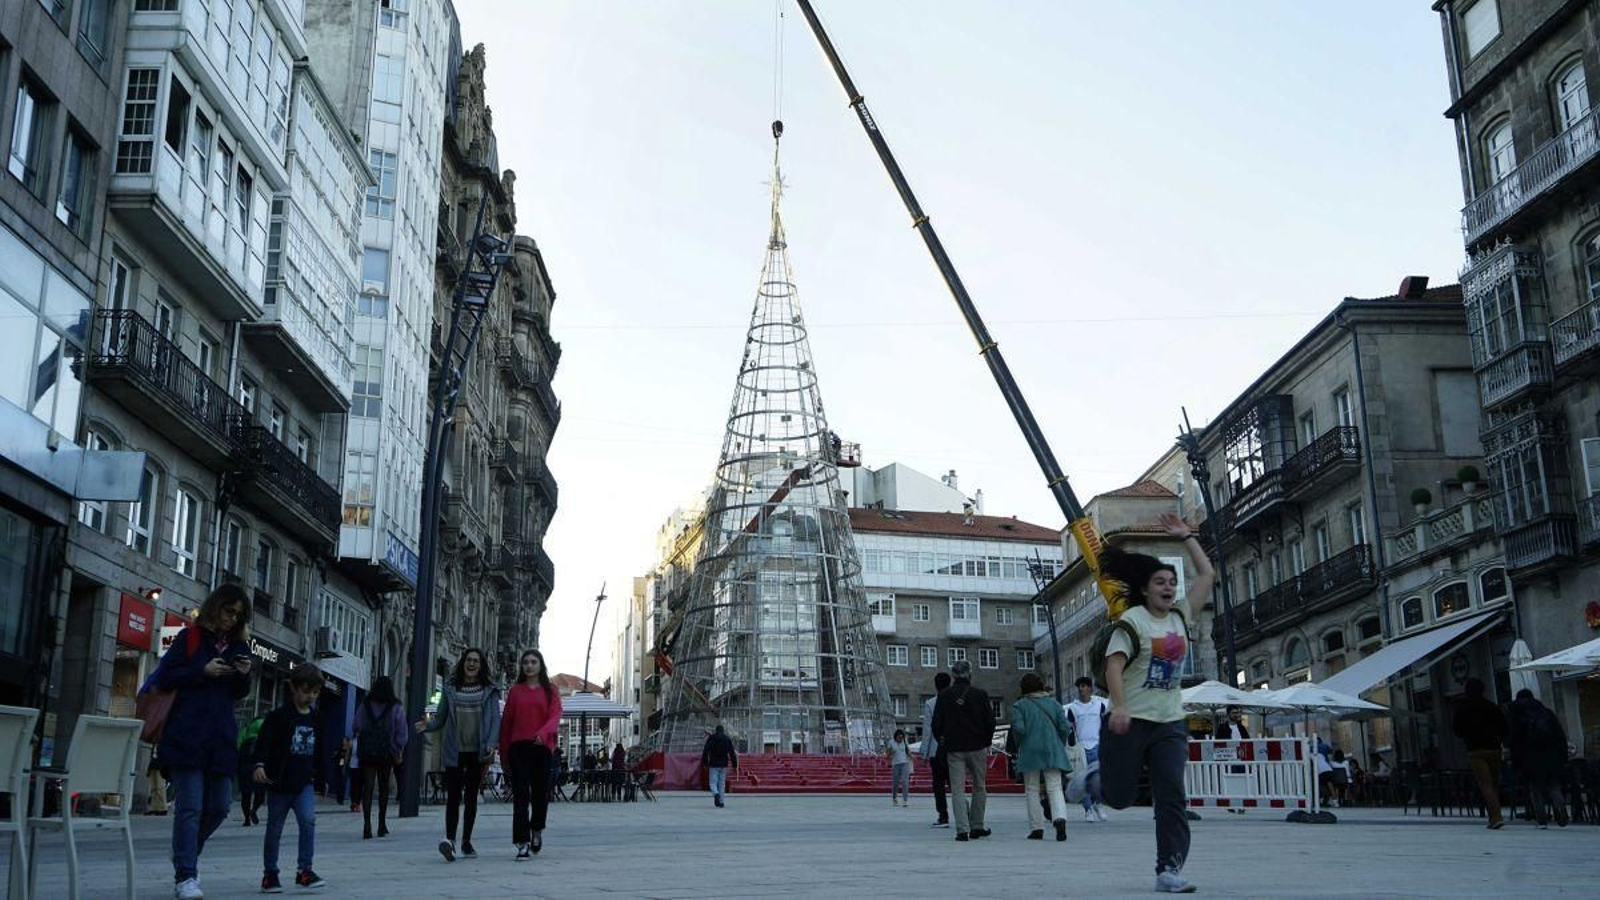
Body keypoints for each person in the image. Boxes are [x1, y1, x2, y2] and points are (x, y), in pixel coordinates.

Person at [1100, 512, 1214, 894]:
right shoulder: (1132, 622)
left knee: (1172, 796)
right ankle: (1093, 780)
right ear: (1146, 590)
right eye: (1160, 582)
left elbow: (1207, 576)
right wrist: (1119, 707)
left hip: (1169, 722)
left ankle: (1168, 869)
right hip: (1130, 721)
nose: (1168, 587)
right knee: (1118, 799)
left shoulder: (1181, 617)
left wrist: (1187, 538)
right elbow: (1113, 667)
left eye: (1171, 582)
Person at [144, 584, 254, 900]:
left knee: (220, 806)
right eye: (227, 611)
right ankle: (186, 875)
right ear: (215, 606)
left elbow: (238, 693)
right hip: (186, 734)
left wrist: (243, 675)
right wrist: (201, 670)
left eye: (238, 615)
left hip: (219, 737)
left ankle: (186, 852)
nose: (231, 619)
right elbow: (165, 677)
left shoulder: (238, 647)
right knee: (190, 807)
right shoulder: (189, 638)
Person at [416, 647, 502, 861]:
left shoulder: (489, 690)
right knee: (453, 797)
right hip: (454, 750)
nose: (472, 664)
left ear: (481, 665)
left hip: (478, 751)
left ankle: (466, 842)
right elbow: (441, 718)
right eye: (469, 660)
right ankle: (450, 841)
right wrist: (427, 726)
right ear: (463, 662)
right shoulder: (450, 688)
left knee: (471, 798)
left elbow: (494, 719)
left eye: (476, 661)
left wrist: (492, 743)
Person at [251, 663, 328, 893]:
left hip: (303, 782)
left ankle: (305, 870)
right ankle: (270, 873)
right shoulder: (279, 717)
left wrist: (322, 776)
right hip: (279, 782)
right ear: (293, 689)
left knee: (308, 821)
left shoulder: (317, 718)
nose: (310, 697)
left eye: (314, 692)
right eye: (305, 691)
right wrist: (259, 764)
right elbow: (264, 742)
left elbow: (320, 749)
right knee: (275, 828)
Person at [500, 649, 562, 859]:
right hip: (519, 748)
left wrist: (543, 734)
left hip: (541, 748)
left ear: (540, 665)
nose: (528, 666)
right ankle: (522, 842)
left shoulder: (550, 690)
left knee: (539, 794)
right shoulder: (515, 691)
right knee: (520, 796)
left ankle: (537, 829)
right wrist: (504, 755)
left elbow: (555, 716)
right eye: (525, 662)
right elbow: (507, 723)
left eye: (533, 662)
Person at [931, 659, 994, 842]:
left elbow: (936, 724)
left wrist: (942, 740)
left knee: (957, 789)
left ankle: (961, 829)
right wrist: (986, 741)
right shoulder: (980, 695)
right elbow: (990, 722)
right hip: (977, 746)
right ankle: (977, 825)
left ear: (953, 676)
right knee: (979, 786)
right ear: (970, 674)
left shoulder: (944, 695)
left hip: (954, 748)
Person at [1011, 673, 1073, 841]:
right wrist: (1057, 742)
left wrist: (1020, 745)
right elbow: (1065, 727)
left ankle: (1037, 827)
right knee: (1055, 787)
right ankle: (1060, 819)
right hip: (1051, 749)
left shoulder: (1020, 706)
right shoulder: (1054, 704)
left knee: (1031, 789)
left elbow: (1019, 729)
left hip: (1030, 750)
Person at [353, 675, 407, 839]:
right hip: (386, 752)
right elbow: (401, 731)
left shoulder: (365, 704)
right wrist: (398, 749)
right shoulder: (395, 707)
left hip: (368, 751)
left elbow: (356, 725)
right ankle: (381, 825)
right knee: (384, 788)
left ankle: (366, 825)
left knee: (368, 787)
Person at [1507, 689, 1569, 828]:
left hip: (1529, 757)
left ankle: (1541, 818)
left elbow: (1513, 741)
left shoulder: (1517, 715)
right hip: (1551, 755)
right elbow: (1560, 736)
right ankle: (1561, 808)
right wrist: (1563, 756)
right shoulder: (1546, 713)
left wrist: (1515, 762)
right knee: (1553, 785)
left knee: (1535, 788)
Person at [1451, 677, 1508, 830]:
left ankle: (1496, 817)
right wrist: (1499, 739)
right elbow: (1504, 726)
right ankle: (1493, 816)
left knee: (1485, 784)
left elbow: (1457, 728)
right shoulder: (1491, 707)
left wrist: (1468, 737)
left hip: (1475, 750)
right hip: (1494, 748)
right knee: (1493, 783)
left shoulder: (1463, 708)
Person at [1064, 676, 1108, 823]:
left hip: (1097, 745)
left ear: (1090, 688)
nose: (1081, 689)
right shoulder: (1073, 708)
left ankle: (1098, 804)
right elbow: (1070, 728)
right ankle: (1087, 809)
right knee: (1083, 780)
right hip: (1081, 747)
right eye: (1079, 687)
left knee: (1098, 778)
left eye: (1084, 686)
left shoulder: (1099, 705)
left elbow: (1105, 725)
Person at [921, 672, 952, 827]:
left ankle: (943, 815)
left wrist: (924, 754)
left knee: (938, 784)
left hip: (936, 749)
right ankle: (964, 812)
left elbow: (927, 730)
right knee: (956, 783)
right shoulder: (956, 701)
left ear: (936, 685)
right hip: (954, 748)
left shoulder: (931, 703)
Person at [236, 715, 266, 827]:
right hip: (259, 766)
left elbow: (237, 745)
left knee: (246, 795)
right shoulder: (264, 731)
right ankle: (254, 810)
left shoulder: (245, 729)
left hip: (244, 767)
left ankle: (247, 818)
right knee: (260, 793)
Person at [701, 724, 738, 807]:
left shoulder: (712, 738)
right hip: (724, 764)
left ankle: (716, 794)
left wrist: (705, 762)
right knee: (722, 783)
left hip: (713, 764)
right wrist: (734, 765)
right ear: (723, 730)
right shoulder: (727, 739)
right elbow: (732, 753)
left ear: (716, 730)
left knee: (713, 782)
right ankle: (721, 802)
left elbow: (705, 750)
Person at [886, 729, 912, 807]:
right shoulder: (891, 742)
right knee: (895, 783)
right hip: (895, 764)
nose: (900, 739)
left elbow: (908, 751)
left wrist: (911, 757)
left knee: (905, 782)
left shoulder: (904, 741)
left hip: (905, 763)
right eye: (899, 738)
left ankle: (905, 800)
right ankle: (894, 798)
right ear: (895, 737)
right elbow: (887, 755)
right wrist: (890, 753)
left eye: (902, 737)